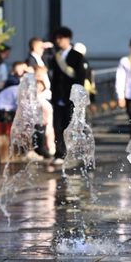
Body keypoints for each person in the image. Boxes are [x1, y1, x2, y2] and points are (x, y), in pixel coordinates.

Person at [49, 26, 86, 165]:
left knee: (70, 125)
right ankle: (59, 153)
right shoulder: (56, 56)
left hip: (71, 97)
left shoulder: (76, 56)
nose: (58, 41)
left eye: (61, 38)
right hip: (58, 97)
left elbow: (81, 77)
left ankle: (73, 151)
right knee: (57, 126)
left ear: (68, 39)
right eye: (56, 38)